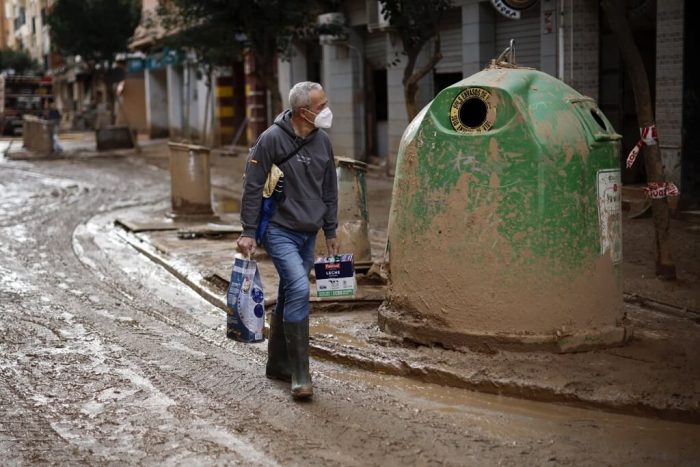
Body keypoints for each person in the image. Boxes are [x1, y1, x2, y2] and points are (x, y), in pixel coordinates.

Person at [237, 81, 339, 400]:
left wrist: (331, 230)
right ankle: (301, 373)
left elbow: (329, 190)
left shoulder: (323, 143)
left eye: (324, 104)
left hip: (309, 232)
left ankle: (277, 363)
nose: (326, 111)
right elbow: (253, 186)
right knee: (297, 287)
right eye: (320, 106)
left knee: (287, 293)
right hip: (279, 229)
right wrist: (249, 231)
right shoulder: (271, 139)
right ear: (302, 111)